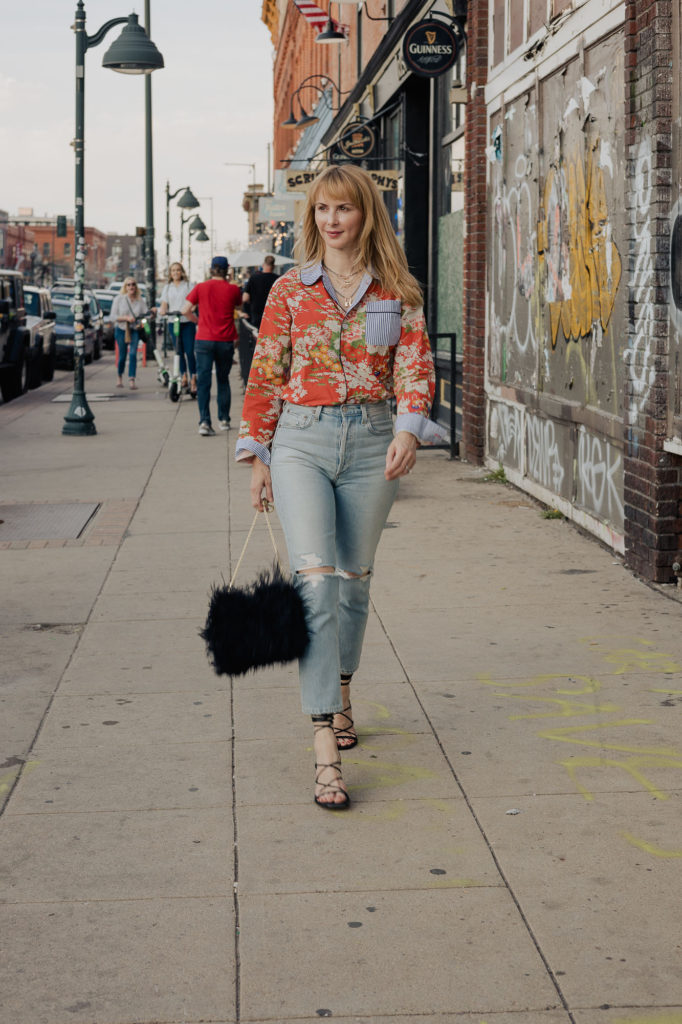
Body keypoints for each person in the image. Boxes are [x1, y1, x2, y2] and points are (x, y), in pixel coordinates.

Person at [235, 164, 446, 810]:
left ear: (364, 217)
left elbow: (415, 365)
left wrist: (409, 429)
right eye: (322, 210)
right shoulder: (290, 293)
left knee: (354, 583)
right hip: (301, 441)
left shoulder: (397, 291)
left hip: (372, 443)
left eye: (343, 210)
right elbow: (267, 374)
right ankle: (323, 735)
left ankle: (344, 684)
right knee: (316, 581)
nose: (332, 220)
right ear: (312, 218)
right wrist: (260, 453)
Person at [182, 256, 241, 435]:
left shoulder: (200, 287)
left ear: (211, 269)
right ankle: (224, 419)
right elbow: (239, 304)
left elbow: (185, 310)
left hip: (204, 340)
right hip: (225, 341)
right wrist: (230, 282)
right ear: (227, 270)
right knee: (223, 380)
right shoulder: (233, 289)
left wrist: (198, 321)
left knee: (204, 382)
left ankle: (204, 422)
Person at [239, 254, 279, 386]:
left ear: (263, 265)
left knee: (257, 346)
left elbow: (244, 298)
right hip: (274, 317)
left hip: (257, 317)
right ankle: (271, 374)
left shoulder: (254, 278)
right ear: (273, 266)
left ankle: (259, 376)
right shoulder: (278, 279)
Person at [159, 261, 197, 395]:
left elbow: (194, 302)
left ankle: (193, 377)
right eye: (173, 270)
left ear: (182, 272)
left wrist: (190, 309)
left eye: (178, 270)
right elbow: (164, 304)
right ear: (170, 273)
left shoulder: (188, 285)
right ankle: (183, 376)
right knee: (178, 352)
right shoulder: (167, 287)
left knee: (189, 351)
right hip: (173, 322)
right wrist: (163, 310)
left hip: (187, 321)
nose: (176, 272)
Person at [111, 278, 148, 389]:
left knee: (133, 354)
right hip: (121, 330)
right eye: (128, 285)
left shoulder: (140, 300)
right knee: (122, 356)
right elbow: (112, 317)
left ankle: (132, 379)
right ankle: (119, 377)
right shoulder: (119, 299)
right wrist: (125, 318)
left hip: (134, 331)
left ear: (136, 287)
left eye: (133, 284)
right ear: (125, 287)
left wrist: (146, 319)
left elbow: (145, 314)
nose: (131, 287)